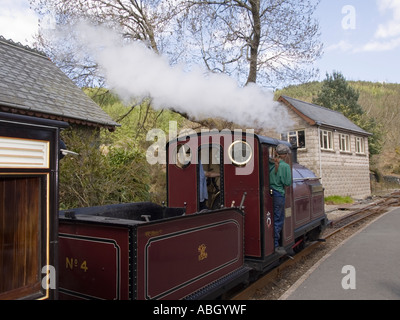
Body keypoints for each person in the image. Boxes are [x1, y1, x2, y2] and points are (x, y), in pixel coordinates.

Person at [269, 144, 292, 255]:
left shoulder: (269, 164)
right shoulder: (285, 166)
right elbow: (287, 183)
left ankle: (271, 242)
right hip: (278, 194)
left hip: (269, 193)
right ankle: (275, 245)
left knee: (270, 219)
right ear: (285, 155)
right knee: (278, 219)